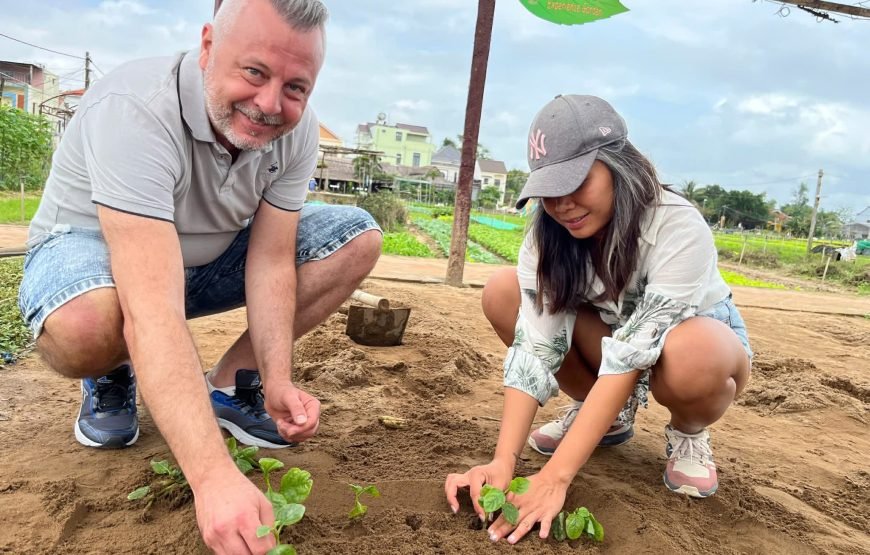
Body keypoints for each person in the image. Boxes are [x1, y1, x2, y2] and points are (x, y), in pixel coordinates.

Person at [17, 1, 382, 553]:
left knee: (356, 236)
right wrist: (212, 478)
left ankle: (234, 385)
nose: (269, 104)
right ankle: (112, 370)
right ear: (208, 46)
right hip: (94, 260)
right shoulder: (137, 108)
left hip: (204, 261)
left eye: (295, 87)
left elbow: (269, 259)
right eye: (255, 72)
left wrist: (278, 377)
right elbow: (152, 309)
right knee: (92, 322)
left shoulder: (296, 130)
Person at [444, 95, 752, 545]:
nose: (562, 204)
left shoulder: (675, 224)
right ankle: (604, 416)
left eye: (577, 182)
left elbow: (633, 352)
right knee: (503, 291)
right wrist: (502, 464)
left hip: (693, 345)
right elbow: (534, 348)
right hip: (611, 336)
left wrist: (555, 477)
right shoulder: (548, 237)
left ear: (618, 165)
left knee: (693, 351)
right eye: (549, 191)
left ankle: (689, 431)